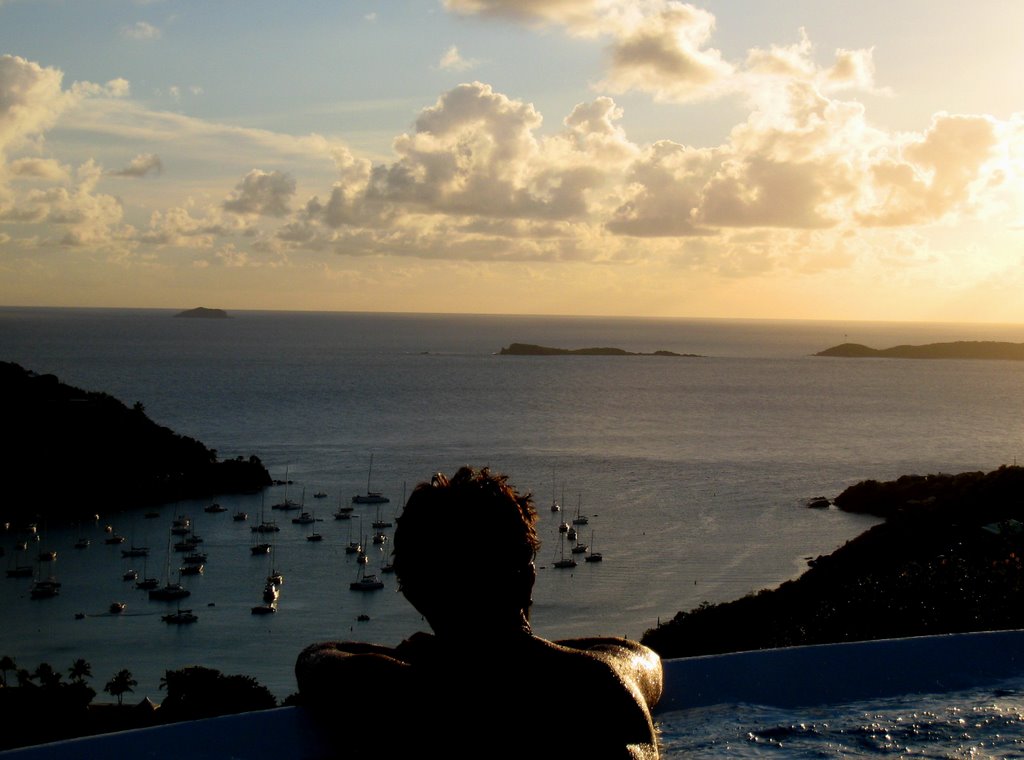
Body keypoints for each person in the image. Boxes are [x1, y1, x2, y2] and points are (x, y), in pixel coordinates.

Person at [296, 466, 663, 758]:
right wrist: (537, 651)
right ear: (529, 577)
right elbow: (641, 658)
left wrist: (424, 656)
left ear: (412, 593)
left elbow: (315, 660)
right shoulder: (602, 688)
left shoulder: (402, 696)